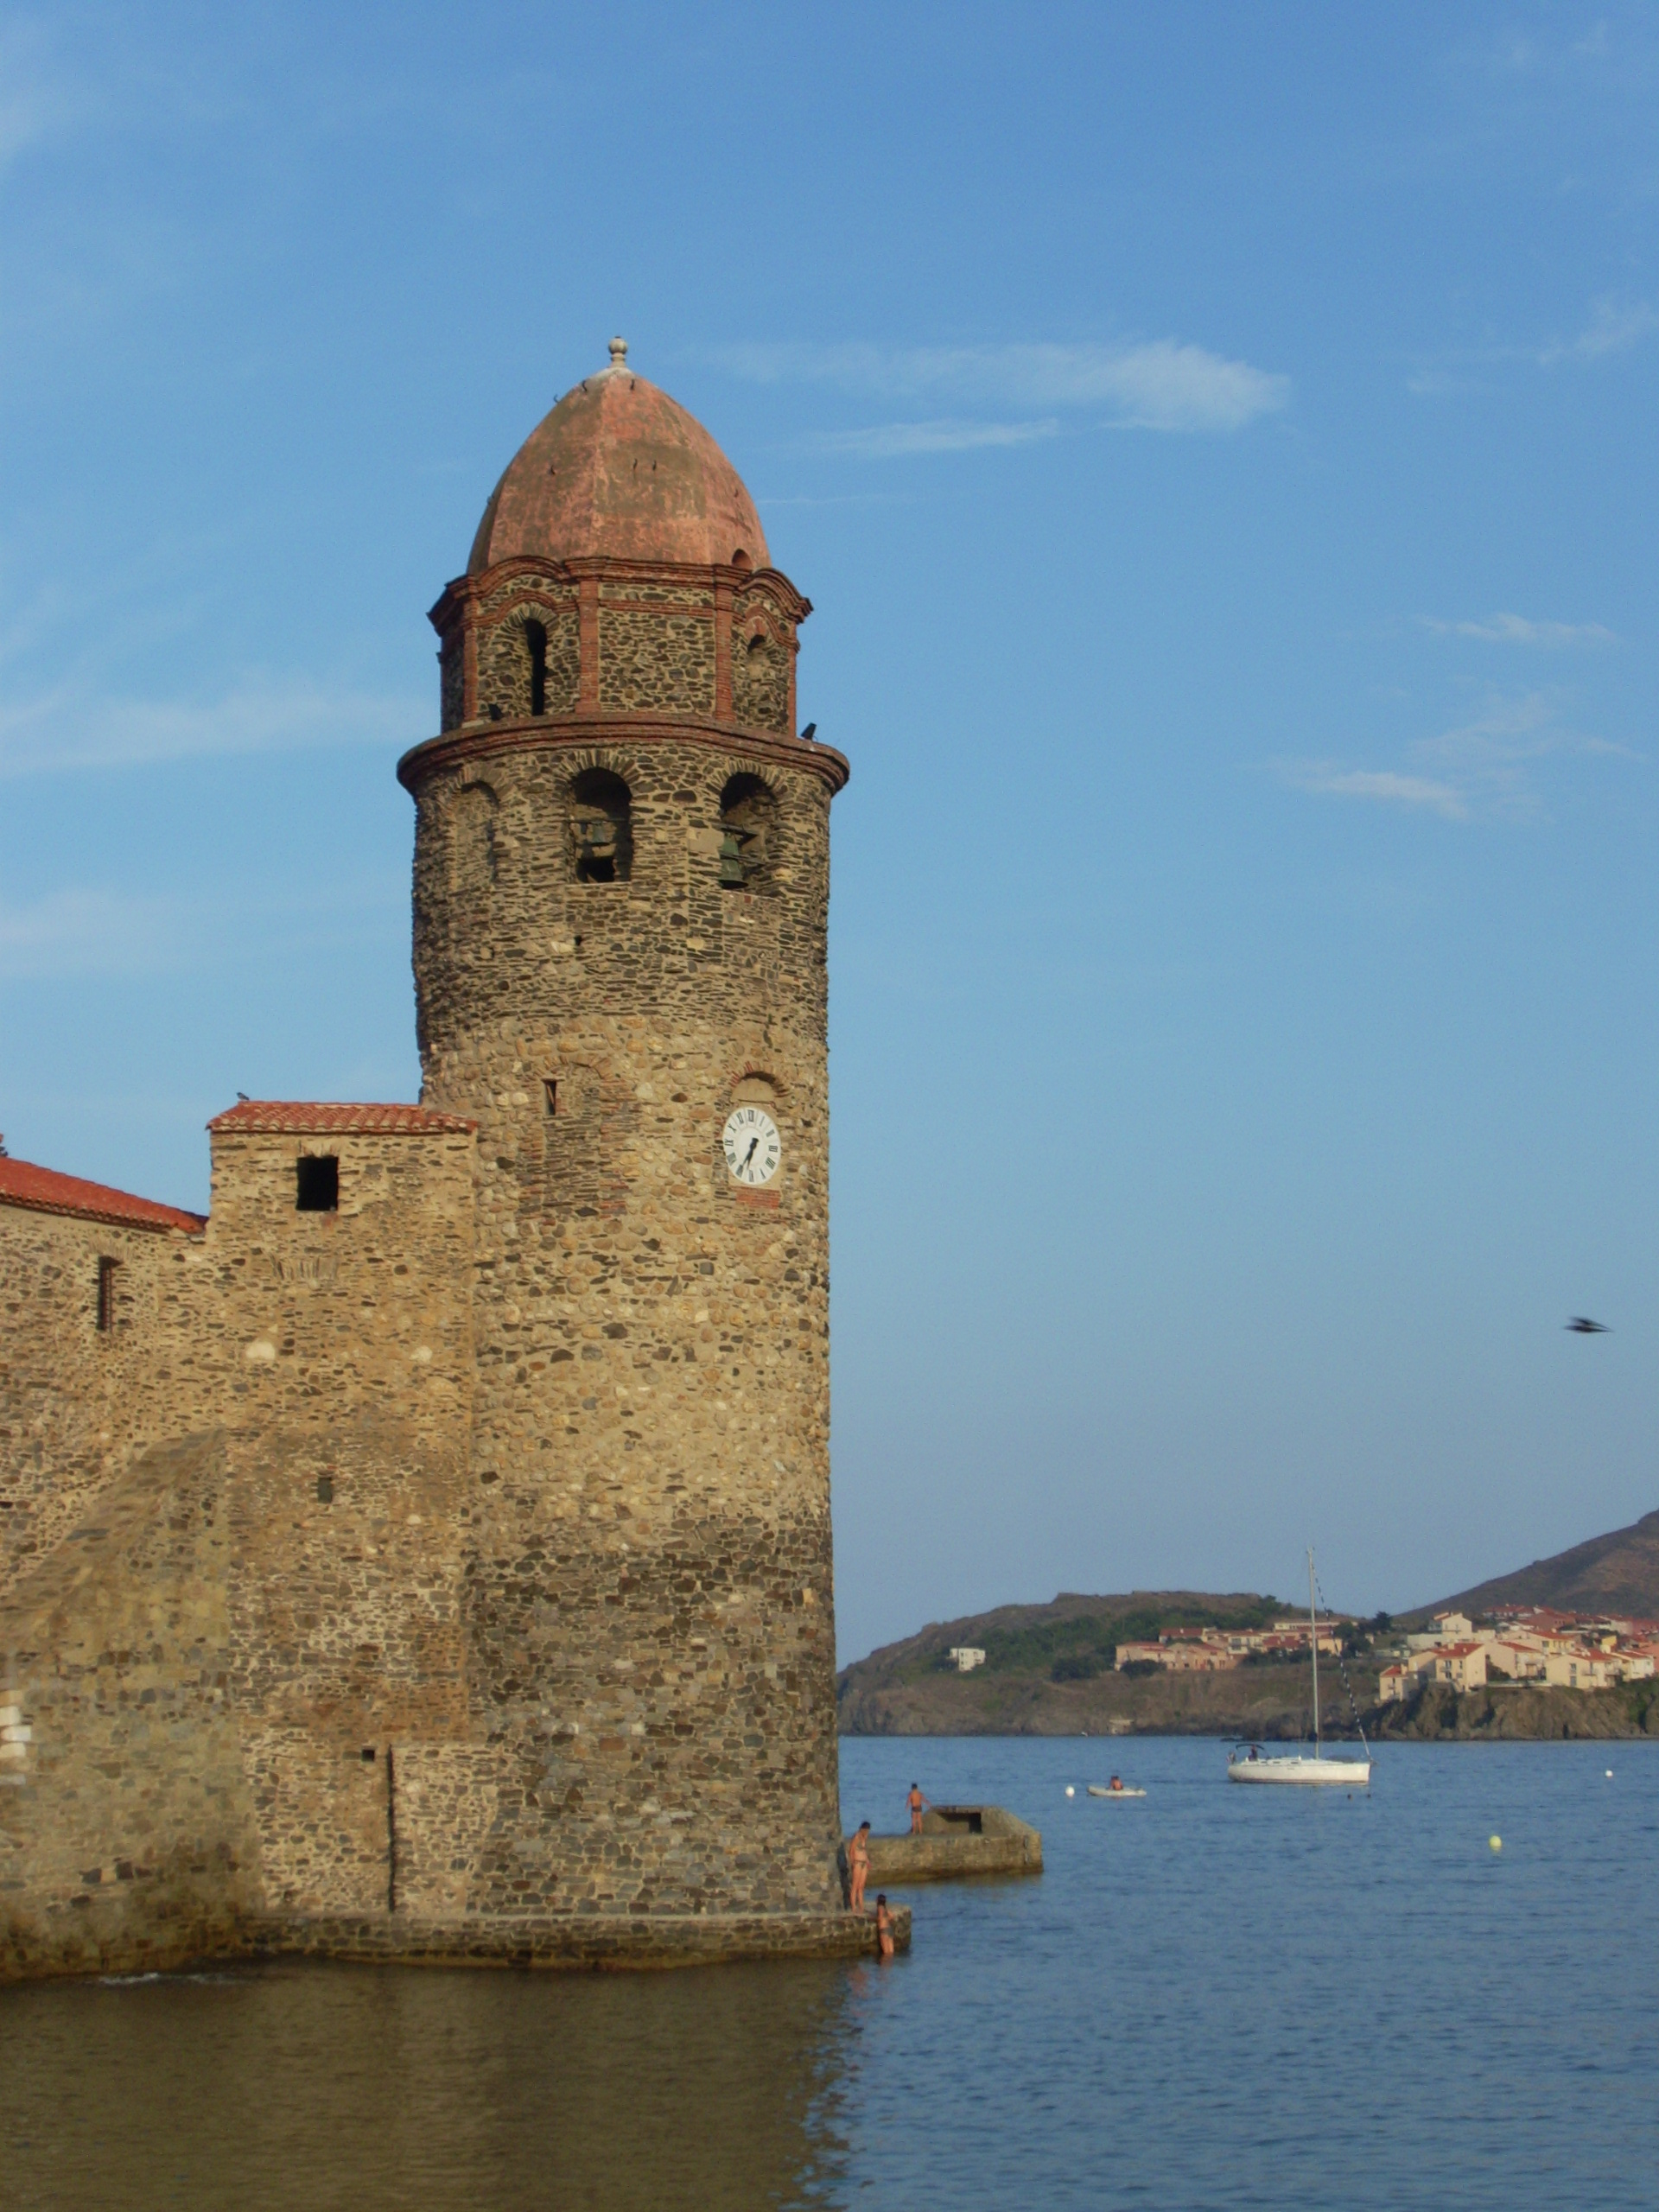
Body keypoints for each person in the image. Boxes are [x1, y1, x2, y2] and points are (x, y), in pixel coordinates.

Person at [849, 1821, 872, 1911]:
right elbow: (851, 1850)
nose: (867, 1832)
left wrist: (868, 1861)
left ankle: (861, 1906)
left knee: (861, 1886)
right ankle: (854, 1906)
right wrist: (852, 1862)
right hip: (857, 1862)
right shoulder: (857, 1837)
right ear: (863, 1829)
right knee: (855, 1885)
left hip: (864, 1863)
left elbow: (864, 1851)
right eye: (866, 1830)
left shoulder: (864, 1837)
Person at [874, 1894, 895, 1961]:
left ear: (878, 1900)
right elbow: (892, 1916)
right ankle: (890, 1969)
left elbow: (880, 1918)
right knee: (891, 1953)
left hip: (883, 1931)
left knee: (886, 1953)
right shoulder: (885, 1908)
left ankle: (884, 1970)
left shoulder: (880, 1908)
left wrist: (872, 1918)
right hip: (889, 1929)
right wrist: (886, 1919)